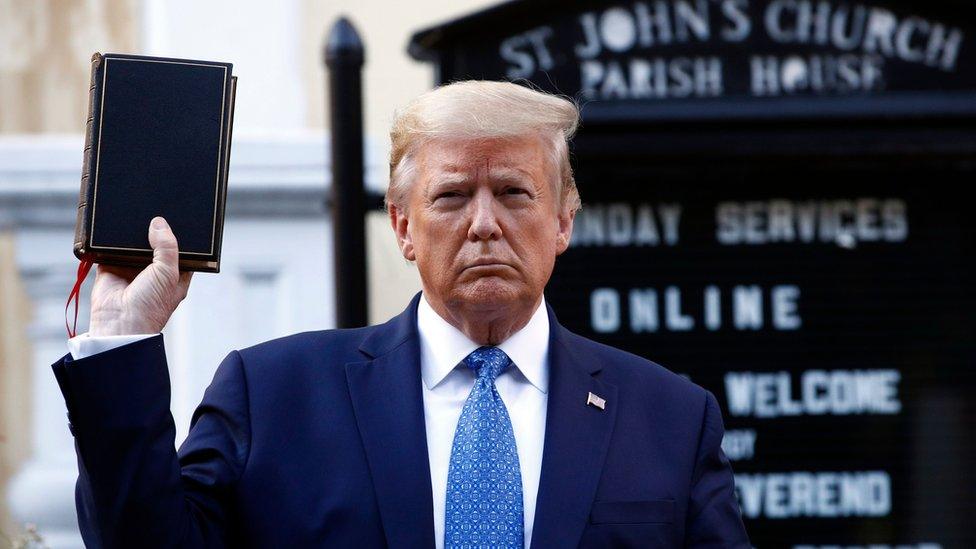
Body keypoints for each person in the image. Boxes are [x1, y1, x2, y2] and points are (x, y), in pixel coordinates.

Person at [53, 81, 750, 548]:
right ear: (403, 225)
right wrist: (122, 342)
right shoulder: (274, 396)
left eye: (513, 192)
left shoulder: (668, 418)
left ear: (563, 221)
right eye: (451, 196)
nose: (484, 224)